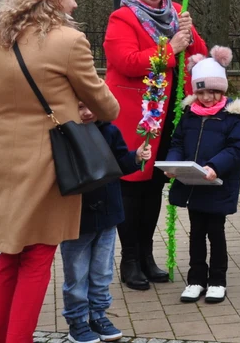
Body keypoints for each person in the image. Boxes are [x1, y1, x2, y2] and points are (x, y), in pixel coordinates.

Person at [0, 0, 120, 343]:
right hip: (47, 162)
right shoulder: (69, 41)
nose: (74, 4)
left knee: (9, 256)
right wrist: (76, 104)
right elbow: (107, 108)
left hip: (0, 159)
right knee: (38, 257)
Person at [104, 0, 208, 290]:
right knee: (132, 187)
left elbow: (198, 56)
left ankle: (147, 256)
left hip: (169, 119)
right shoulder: (123, 18)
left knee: (153, 188)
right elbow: (127, 61)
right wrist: (171, 48)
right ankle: (130, 258)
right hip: (137, 119)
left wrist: (190, 37)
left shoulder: (177, 12)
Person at [61, 104, 151, 343]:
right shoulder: (63, 134)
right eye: (79, 107)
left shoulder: (110, 131)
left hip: (108, 214)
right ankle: (77, 320)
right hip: (77, 218)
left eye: (91, 106)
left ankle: (98, 315)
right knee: (77, 274)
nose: (87, 112)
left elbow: (119, 163)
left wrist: (135, 157)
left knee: (102, 273)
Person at [166, 46, 240, 303]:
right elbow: (178, 142)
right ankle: (196, 279)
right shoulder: (189, 115)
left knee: (216, 232)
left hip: (217, 185)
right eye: (201, 92)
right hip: (193, 186)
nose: (207, 97)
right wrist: (172, 164)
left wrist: (215, 166)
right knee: (196, 232)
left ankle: (217, 280)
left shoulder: (231, 118)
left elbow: (237, 149)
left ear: (222, 90)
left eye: (213, 91)